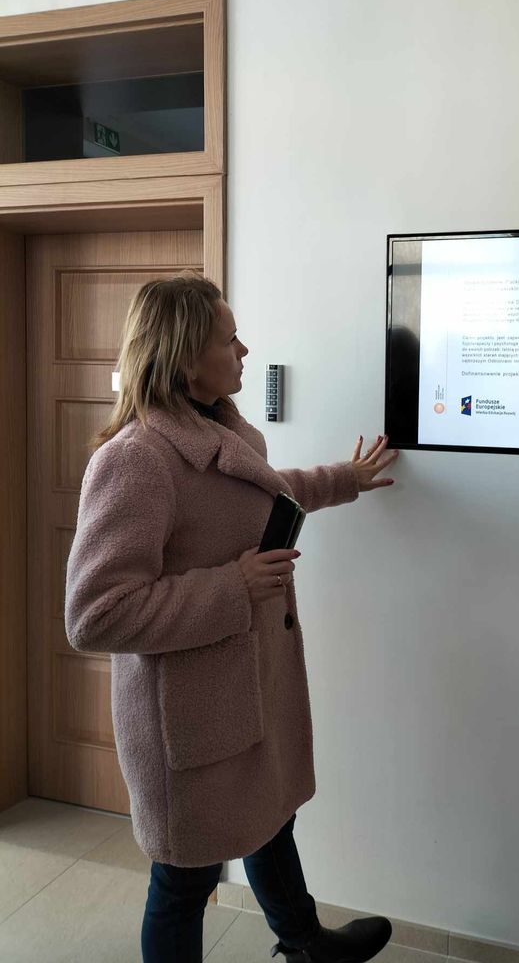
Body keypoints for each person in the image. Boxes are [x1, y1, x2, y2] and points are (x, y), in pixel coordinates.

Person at [64, 273, 399, 963]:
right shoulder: (135, 460)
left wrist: (345, 479)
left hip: (243, 694)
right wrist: (232, 588)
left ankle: (305, 944)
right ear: (186, 358)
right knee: (184, 882)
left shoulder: (217, 433)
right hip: (187, 721)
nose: (244, 350)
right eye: (229, 339)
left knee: (270, 824)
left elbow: (264, 497)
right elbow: (95, 614)